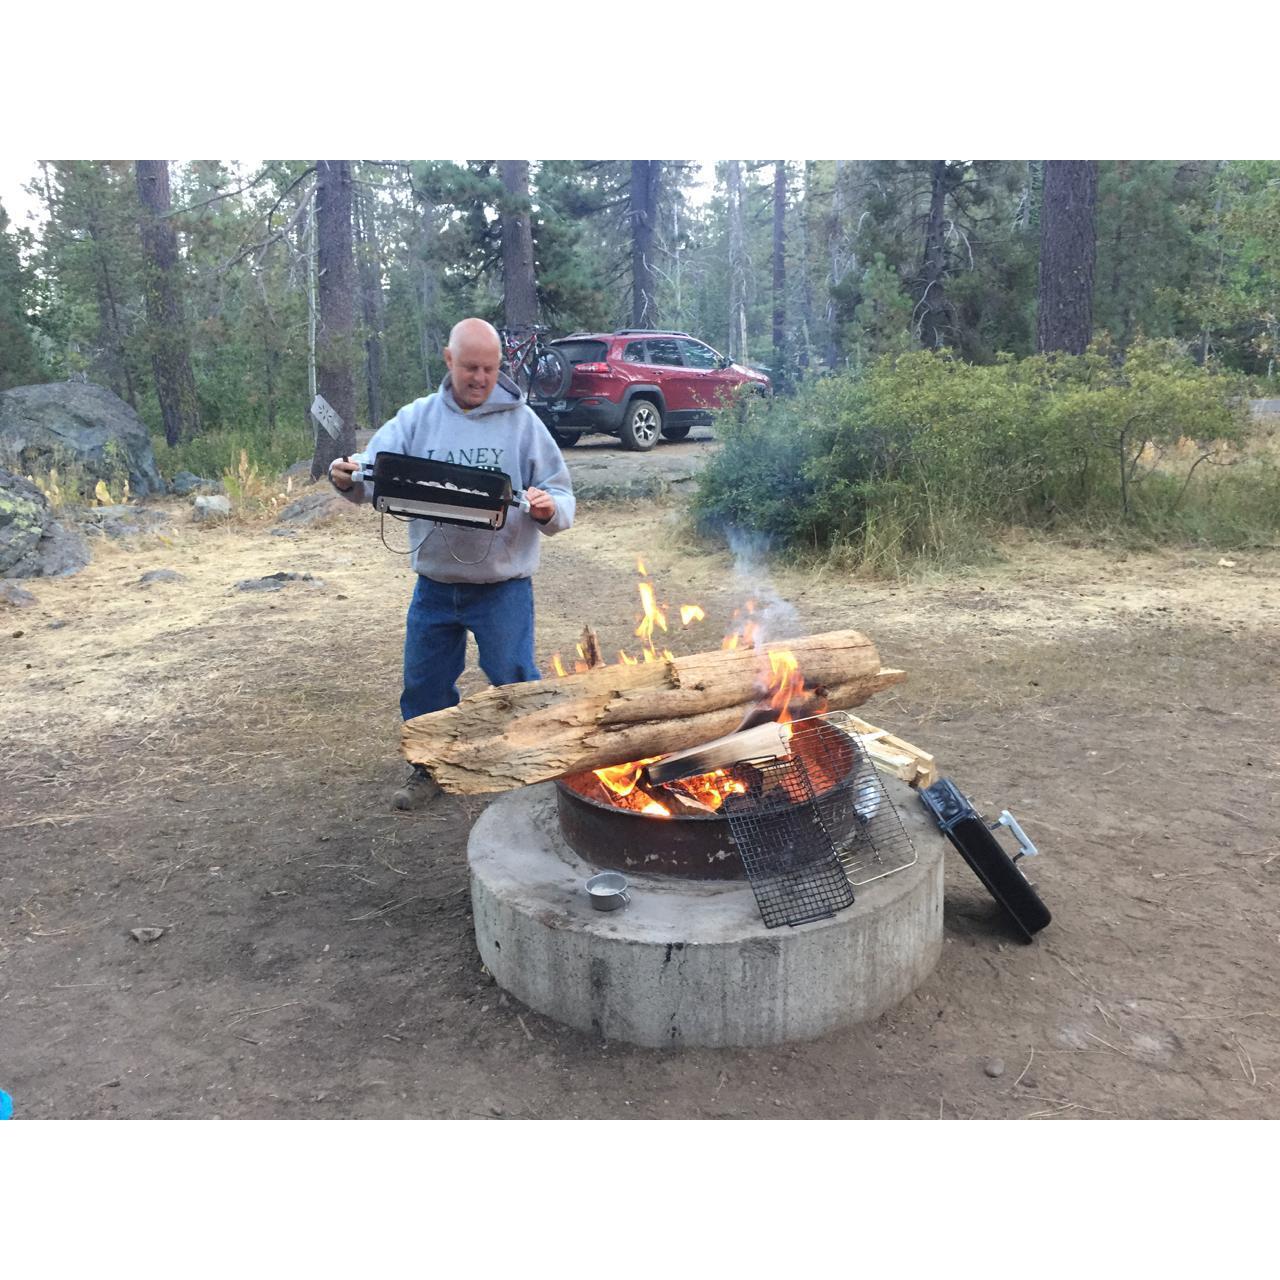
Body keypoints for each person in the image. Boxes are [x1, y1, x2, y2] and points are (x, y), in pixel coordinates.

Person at [329, 317, 575, 809]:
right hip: (436, 584)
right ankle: (430, 767)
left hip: (502, 584)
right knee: (424, 682)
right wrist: (346, 478)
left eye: (488, 368)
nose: (479, 378)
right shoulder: (418, 418)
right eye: (469, 368)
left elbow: (562, 494)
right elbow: (372, 474)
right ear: (449, 361)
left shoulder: (524, 423)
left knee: (513, 674)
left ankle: (535, 761)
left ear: (500, 367)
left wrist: (549, 508)